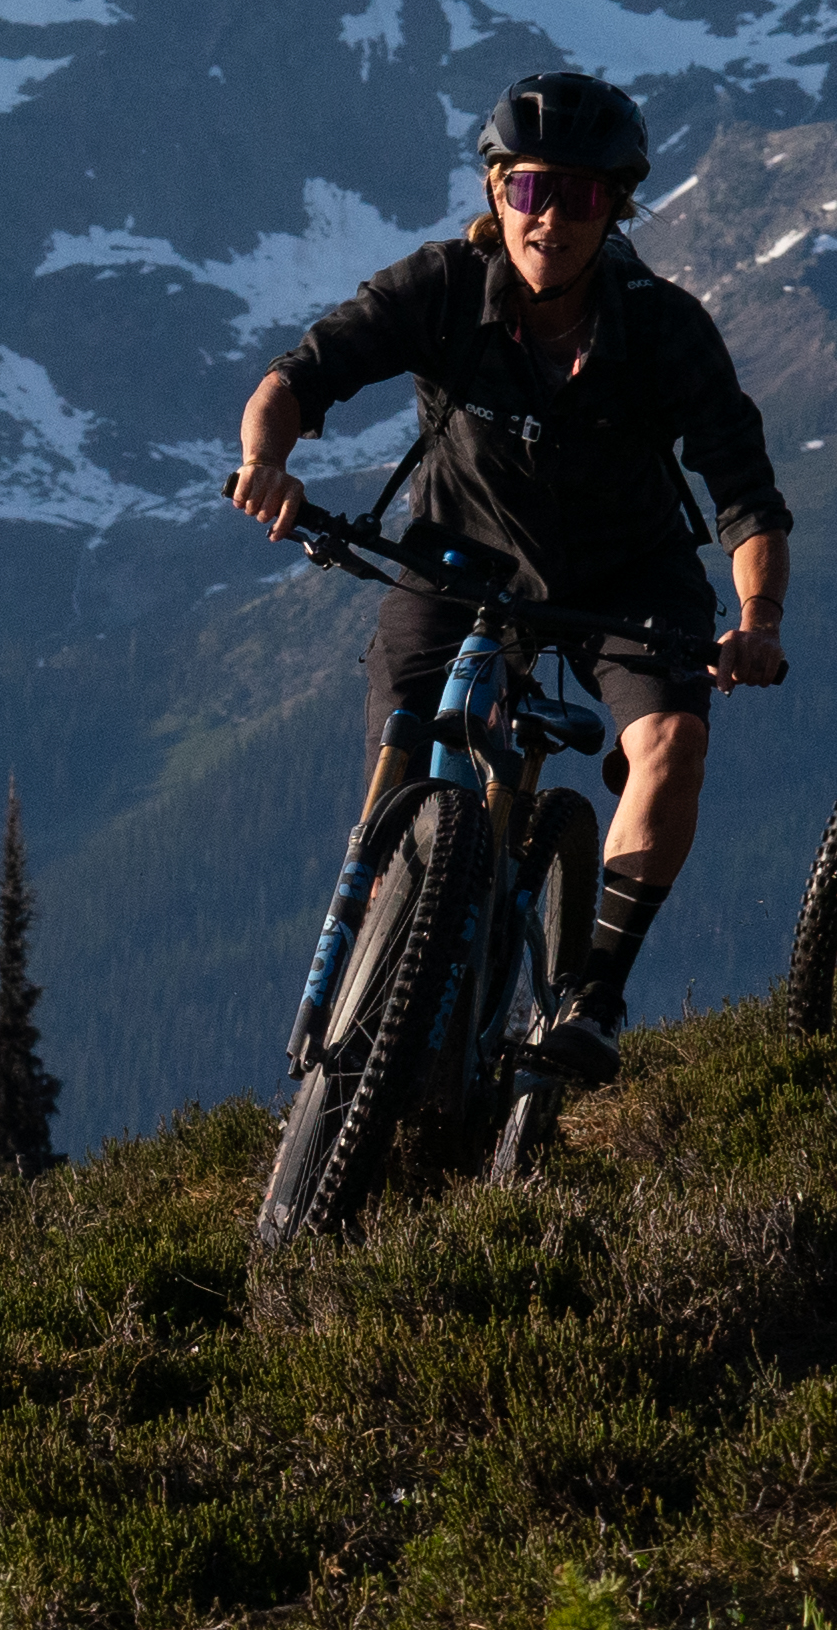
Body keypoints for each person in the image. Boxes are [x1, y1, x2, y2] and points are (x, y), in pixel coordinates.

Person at [224, 70, 792, 1072]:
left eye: (580, 196)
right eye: (531, 189)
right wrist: (264, 462)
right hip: (457, 562)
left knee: (670, 747)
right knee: (401, 761)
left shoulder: (662, 327)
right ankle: (383, 965)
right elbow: (297, 377)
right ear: (497, 191)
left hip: (626, 577)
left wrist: (757, 617)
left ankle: (592, 999)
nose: (551, 219)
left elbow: (745, 495)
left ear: (614, 208)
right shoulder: (442, 288)